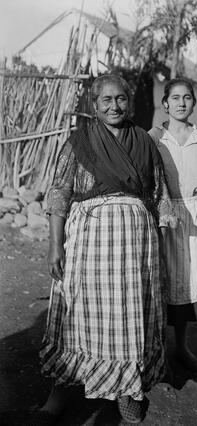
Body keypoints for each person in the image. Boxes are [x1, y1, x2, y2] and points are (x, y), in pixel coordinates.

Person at [28, 75, 172, 425]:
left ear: (130, 101)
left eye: (120, 99)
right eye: (105, 100)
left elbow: (158, 197)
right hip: (89, 241)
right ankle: (58, 394)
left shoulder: (143, 142)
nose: (114, 106)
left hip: (135, 244)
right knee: (77, 313)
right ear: (94, 105)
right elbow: (60, 194)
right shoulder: (79, 142)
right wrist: (54, 246)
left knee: (128, 316)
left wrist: (161, 250)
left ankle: (128, 392)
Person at [148, 78, 197, 374]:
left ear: (193, 103)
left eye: (187, 97)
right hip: (166, 218)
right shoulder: (153, 138)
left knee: (190, 284)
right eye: (174, 97)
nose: (180, 102)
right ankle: (158, 352)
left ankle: (182, 347)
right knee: (163, 284)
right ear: (165, 103)